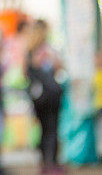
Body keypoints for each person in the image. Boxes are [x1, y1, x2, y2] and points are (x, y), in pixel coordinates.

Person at [26, 19, 63, 174]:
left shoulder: (30, 51)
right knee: (51, 129)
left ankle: (45, 162)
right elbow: (58, 66)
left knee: (43, 129)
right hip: (50, 96)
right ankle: (51, 163)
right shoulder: (45, 50)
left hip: (38, 97)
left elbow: (26, 72)